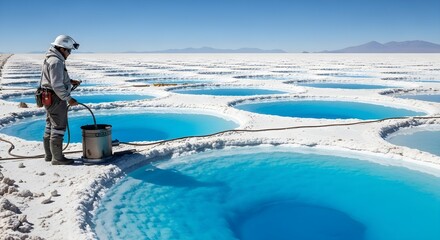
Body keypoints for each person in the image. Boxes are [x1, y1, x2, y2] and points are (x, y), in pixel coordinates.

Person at [40, 35, 81, 165]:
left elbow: (53, 80)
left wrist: (69, 81)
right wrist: (69, 99)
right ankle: (57, 158)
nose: (69, 54)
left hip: (49, 97)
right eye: (69, 51)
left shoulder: (51, 59)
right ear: (62, 49)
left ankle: (49, 155)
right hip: (56, 99)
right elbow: (57, 85)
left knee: (50, 126)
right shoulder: (56, 62)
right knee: (58, 127)